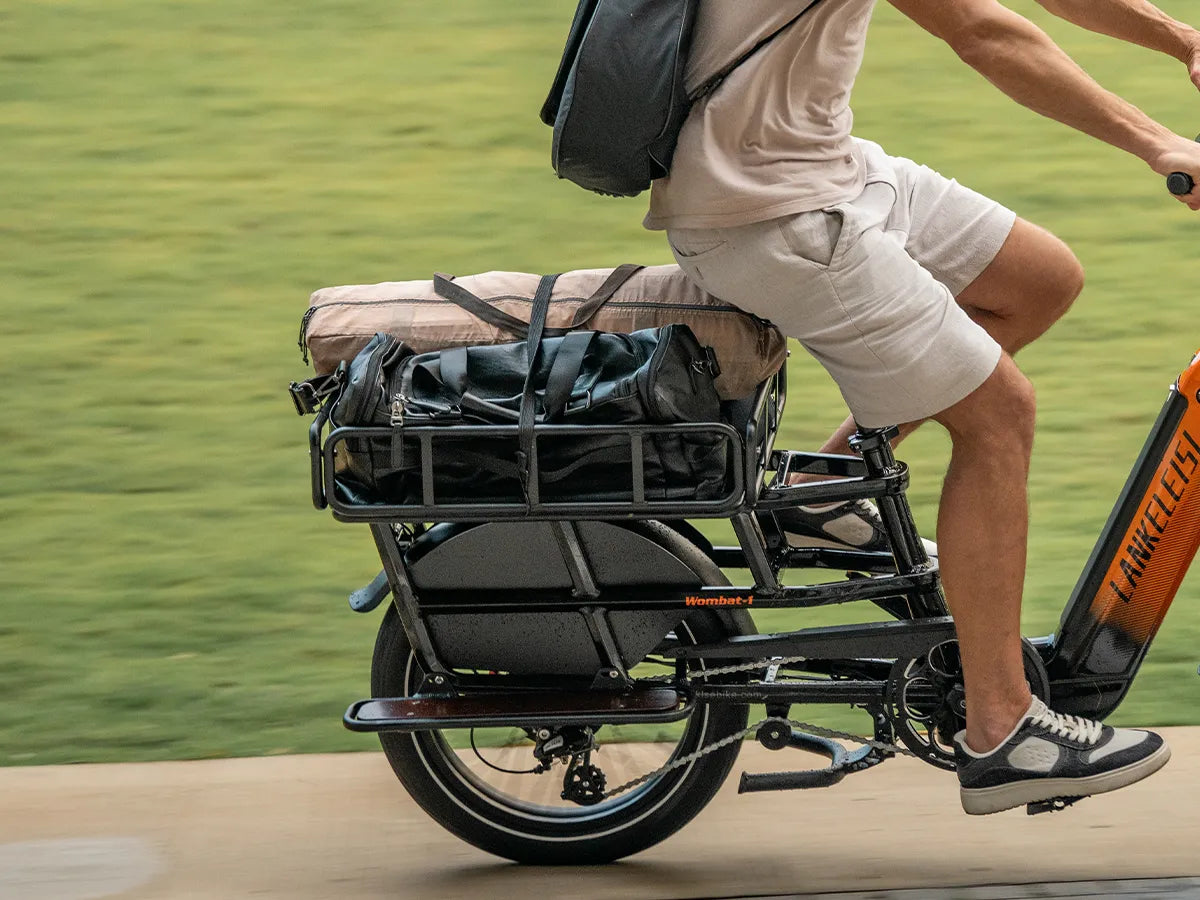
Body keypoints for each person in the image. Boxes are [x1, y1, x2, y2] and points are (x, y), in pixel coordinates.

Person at [646, 0, 1200, 814]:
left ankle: (828, 489)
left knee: (1038, 280)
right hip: (768, 209)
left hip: (814, 166)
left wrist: (1178, 35)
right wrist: (1159, 144)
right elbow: (984, 32)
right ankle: (1003, 729)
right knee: (998, 416)